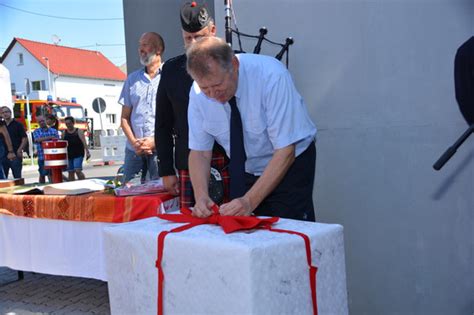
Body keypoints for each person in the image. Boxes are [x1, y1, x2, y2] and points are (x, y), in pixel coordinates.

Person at [186, 37, 317, 222]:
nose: (213, 95)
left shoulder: (272, 76)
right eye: (205, 88)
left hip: (289, 165)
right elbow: (199, 152)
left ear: (234, 64)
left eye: (217, 85)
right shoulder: (197, 93)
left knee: (287, 232)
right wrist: (201, 197)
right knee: (244, 230)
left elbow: (286, 150)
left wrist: (249, 201)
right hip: (246, 168)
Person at [155, 1, 229, 208]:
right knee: (194, 229)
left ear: (213, 30)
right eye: (188, 38)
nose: (194, 43)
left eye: (200, 37)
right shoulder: (171, 70)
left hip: (228, 159)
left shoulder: (231, 61)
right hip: (189, 159)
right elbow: (162, 123)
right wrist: (166, 170)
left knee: (234, 226)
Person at [119, 32, 164, 183]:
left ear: (158, 49)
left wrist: (155, 141)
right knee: (130, 195)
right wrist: (134, 143)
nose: (140, 49)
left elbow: (176, 119)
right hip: (134, 151)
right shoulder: (132, 80)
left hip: (160, 150)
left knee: (163, 195)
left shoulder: (168, 77)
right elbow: (124, 118)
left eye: (145, 45)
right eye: (139, 46)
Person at [1, 106, 27, 178]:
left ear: (10, 113)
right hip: (3, 155)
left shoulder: (18, 124)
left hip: (15, 153)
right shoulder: (1, 125)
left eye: (6, 112)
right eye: (3, 113)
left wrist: (20, 150)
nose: (5, 114)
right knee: (3, 178)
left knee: (17, 177)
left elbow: (24, 138)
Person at [62, 116, 90, 181]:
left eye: (69, 123)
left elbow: (84, 142)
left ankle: (83, 182)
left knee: (77, 170)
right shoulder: (64, 133)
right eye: (66, 124)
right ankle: (72, 186)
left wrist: (87, 152)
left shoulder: (78, 131)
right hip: (69, 154)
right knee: (70, 171)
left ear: (73, 123)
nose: (68, 125)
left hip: (78, 153)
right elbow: (63, 144)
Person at [32, 116, 59, 183]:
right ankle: (41, 187)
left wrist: (43, 139)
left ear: (46, 120)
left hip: (53, 156)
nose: (41, 123)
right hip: (42, 156)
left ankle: (53, 185)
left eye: (43, 121)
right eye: (39, 122)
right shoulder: (36, 131)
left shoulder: (54, 130)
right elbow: (37, 140)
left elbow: (57, 140)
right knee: (42, 174)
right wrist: (50, 137)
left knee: (52, 173)